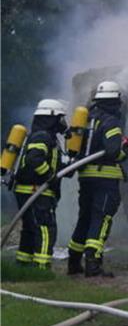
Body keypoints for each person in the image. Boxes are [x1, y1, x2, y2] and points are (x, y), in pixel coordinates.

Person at [67, 81, 128, 277]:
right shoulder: (110, 121)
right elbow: (114, 152)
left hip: (86, 177)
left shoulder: (87, 119)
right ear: (115, 101)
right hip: (105, 179)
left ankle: (74, 262)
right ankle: (93, 263)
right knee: (102, 218)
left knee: (85, 219)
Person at [13, 99, 70, 270]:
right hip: (37, 191)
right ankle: (42, 267)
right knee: (45, 228)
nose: (63, 122)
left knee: (30, 229)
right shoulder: (42, 136)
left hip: (30, 190)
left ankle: (23, 264)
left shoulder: (45, 136)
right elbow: (34, 159)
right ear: (51, 118)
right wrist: (49, 176)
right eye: (60, 118)